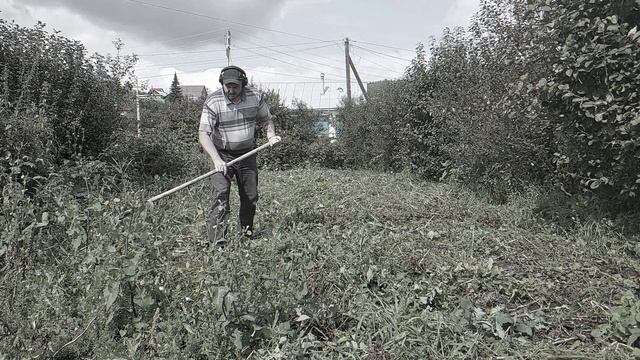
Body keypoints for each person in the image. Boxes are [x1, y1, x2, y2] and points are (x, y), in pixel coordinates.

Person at [198, 65, 280, 246]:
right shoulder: (213, 102)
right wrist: (217, 159)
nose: (231, 90)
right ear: (222, 84)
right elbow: (203, 134)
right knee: (220, 195)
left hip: (247, 154)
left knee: (250, 196)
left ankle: (245, 237)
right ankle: (217, 243)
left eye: (235, 86)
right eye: (228, 86)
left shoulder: (255, 97)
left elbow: (266, 119)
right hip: (221, 155)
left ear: (243, 83)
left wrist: (271, 135)